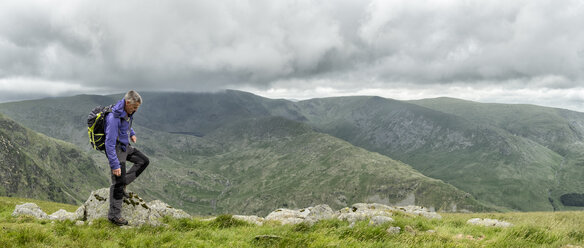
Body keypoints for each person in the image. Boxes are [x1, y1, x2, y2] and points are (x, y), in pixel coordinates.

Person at [104, 90, 150, 226]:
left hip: (125, 145)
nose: (136, 110)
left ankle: (124, 182)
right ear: (127, 102)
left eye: (137, 107)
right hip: (117, 149)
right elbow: (109, 144)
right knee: (117, 182)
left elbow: (127, 123)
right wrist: (115, 165)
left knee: (143, 161)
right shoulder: (113, 118)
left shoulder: (127, 111)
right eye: (134, 107)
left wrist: (132, 133)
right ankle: (114, 216)